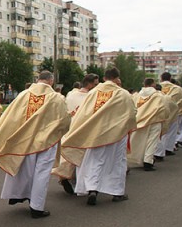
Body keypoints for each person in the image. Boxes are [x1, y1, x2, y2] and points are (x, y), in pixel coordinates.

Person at [0, 71, 70, 218]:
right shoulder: (57, 98)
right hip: (46, 141)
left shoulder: (24, 95)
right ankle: (36, 207)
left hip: (25, 139)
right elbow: (64, 120)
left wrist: (3, 133)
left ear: (38, 80)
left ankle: (19, 194)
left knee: (24, 168)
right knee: (41, 173)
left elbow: (11, 117)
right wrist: (59, 132)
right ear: (51, 81)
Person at [55, 67, 137, 205]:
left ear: (105, 78)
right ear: (117, 78)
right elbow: (131, 113)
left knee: (94, 161)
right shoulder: (123, 94)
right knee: (117, 162)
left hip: (95, 133)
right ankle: (117, 192)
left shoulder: (93, 93)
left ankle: (92, 189)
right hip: (116, 133)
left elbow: (84, 113)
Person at [55, 73, 99, 194]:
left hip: (70, 127)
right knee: (83, 158)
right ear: (90, 84)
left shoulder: (70, 95)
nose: (97, 86)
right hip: (84, 130)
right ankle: (81, 183)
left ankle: (65, 176)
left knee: (69, 153)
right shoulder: (91, 97)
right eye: (95, 84)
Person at [127, 78, 170, 171]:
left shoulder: (136, 96)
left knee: (140, 140)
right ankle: (148, 161)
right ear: (153, 84)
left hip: (139, 121)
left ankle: (137, 158)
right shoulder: (159, 95)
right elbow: (165, 108)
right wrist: (165, 118)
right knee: (152, 142)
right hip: (155, 120)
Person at [155, 72, 182, 157]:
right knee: (171, 131)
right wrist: (176, 107)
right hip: (173, 112)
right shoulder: (177, 89)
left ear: (161, 78)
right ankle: (168, 148)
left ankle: (158, 151)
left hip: (158, 112)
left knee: (159, 131)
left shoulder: (156, 87)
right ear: (170, 78)